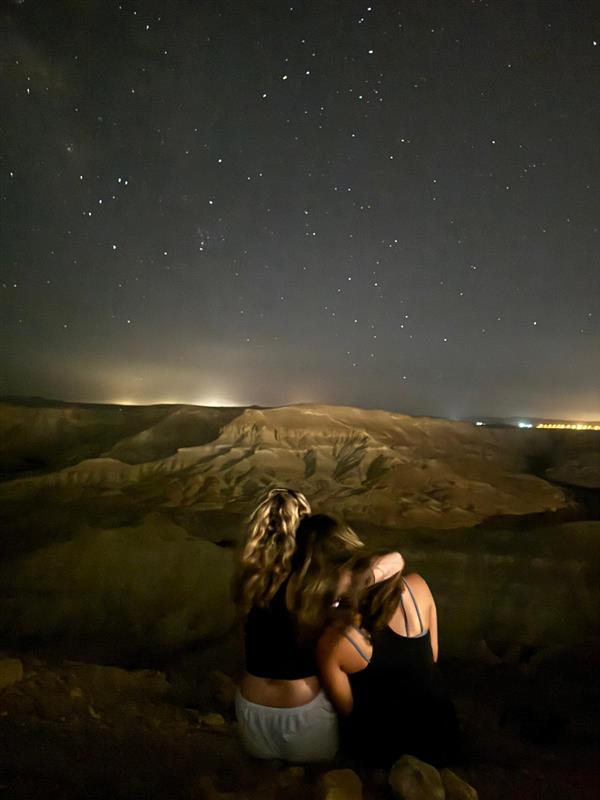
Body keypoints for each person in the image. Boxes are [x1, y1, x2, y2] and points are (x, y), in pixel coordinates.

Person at [234, 489, 404, 763]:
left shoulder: (253, 578)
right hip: (301, 718)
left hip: (250, 714)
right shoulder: (312, 584)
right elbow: (395, 560)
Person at [317, 555, 458, 768]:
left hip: (385, 750)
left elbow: (347, 710)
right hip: (441, 732)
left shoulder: (335, 642)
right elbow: (433, 656)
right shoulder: (418, 585)